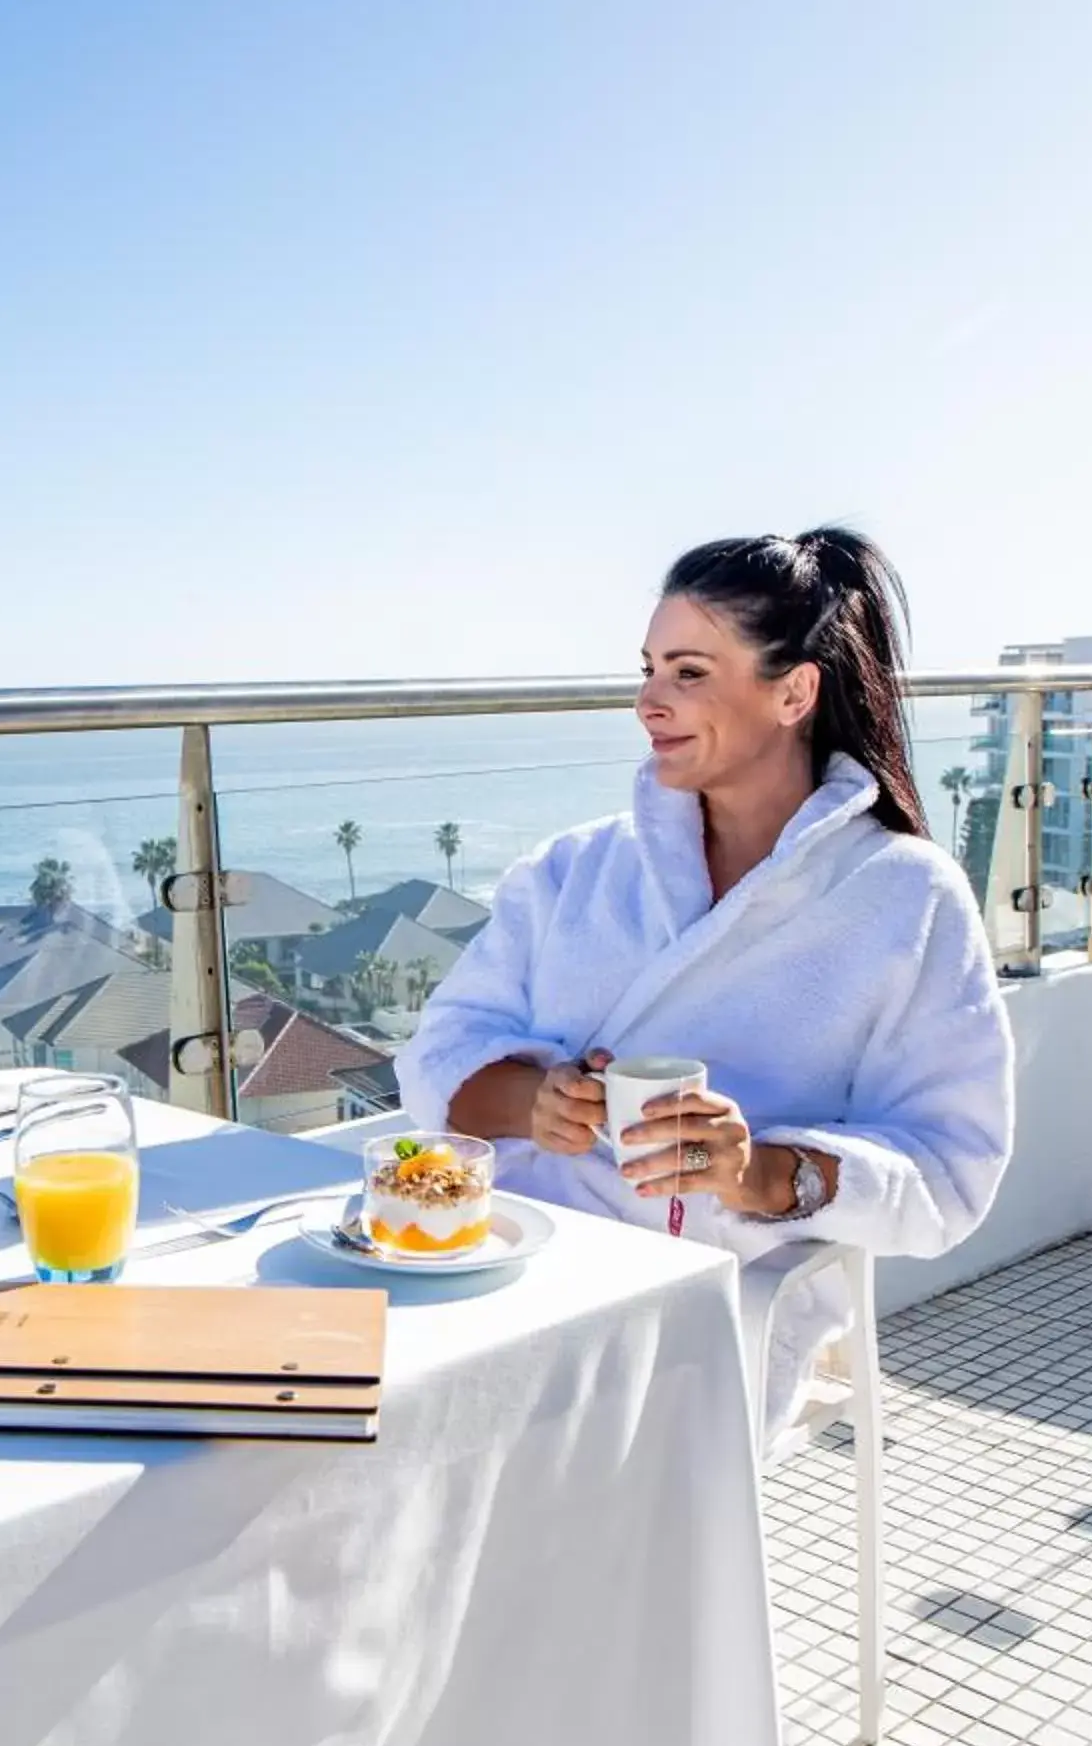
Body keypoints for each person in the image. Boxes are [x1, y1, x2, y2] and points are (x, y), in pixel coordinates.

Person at [397, 528, 1016, 1433]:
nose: (648, 702)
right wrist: (537, 1102)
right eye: (647, 669)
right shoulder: (575, 868)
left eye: (688, 672)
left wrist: (754, 1171)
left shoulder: (903, 898)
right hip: (501, 1258)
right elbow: (439, 1055)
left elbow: (950, 1170)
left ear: (794, 692)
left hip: (708, 1295)